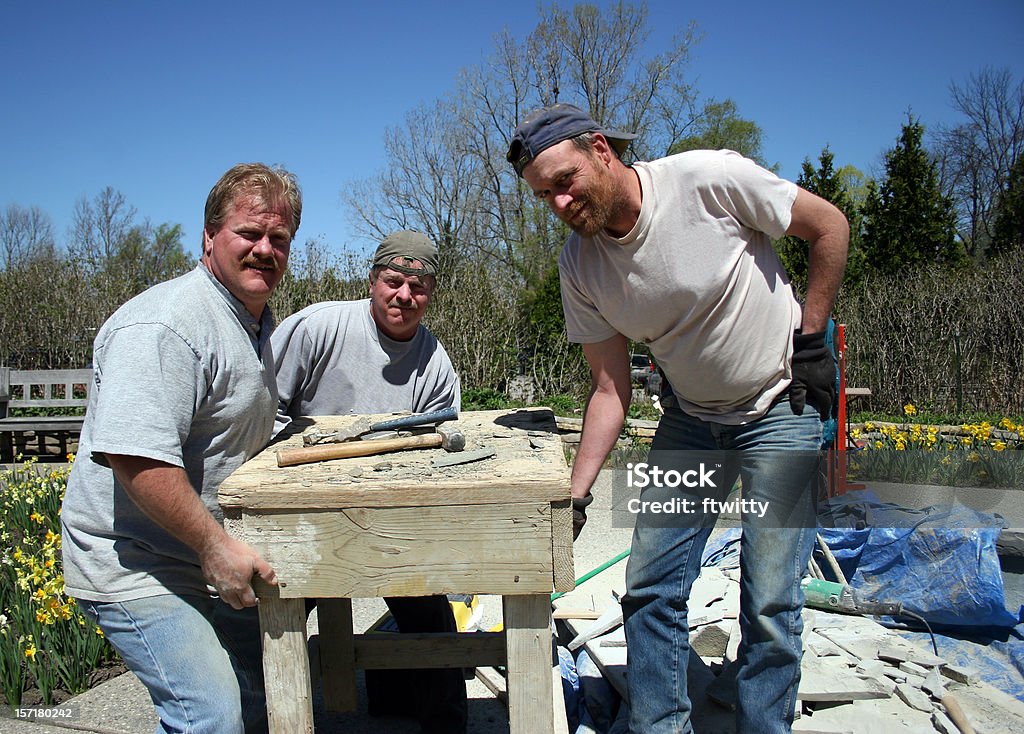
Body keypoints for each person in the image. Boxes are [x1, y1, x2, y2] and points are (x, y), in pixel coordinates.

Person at [507, 104, 849, 733]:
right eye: (542, 195)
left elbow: (829, 225)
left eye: (564, 181)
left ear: (601, 151)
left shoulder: (706, 180)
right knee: (649, 590)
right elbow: (610, 388)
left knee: (770, 600)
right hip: (692, 423)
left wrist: (812, 338)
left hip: (781, 405)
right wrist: (575, 495)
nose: (558, 204)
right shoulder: (579, 265)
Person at [61, 163, 302, 734]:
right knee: (212, 715)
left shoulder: (255, 323)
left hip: (203, 556)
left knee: (276, 691)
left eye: (280, 239)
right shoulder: (165, 327)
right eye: (249, 234)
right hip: (136, 565)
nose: (265, 249)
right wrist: (214, 545)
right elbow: (137, 459)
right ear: (209, 236)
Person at [271, 230, 466, 734]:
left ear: (431, 293)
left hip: (389, 518)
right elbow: (262, 408)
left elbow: (436, 457)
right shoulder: (319, 327)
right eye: (393, 280)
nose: (404, 295)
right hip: (304, 510)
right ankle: (261, 716)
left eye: (417, 286)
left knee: (432, 623)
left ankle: (445, 725)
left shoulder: (435, 364)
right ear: (374, 279)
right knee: (274, 622)